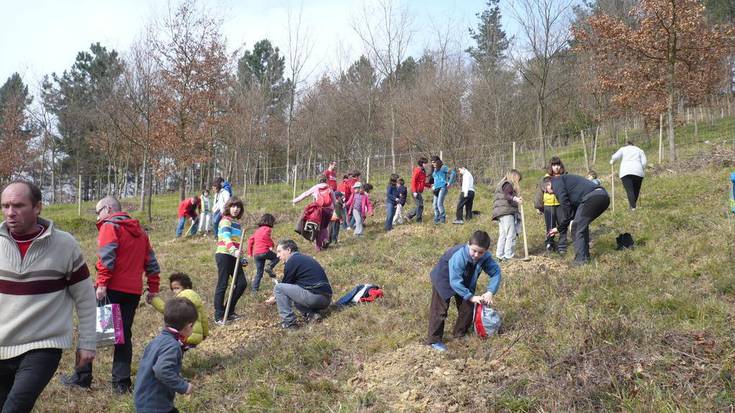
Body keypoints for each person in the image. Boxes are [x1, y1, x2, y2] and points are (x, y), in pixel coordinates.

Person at [0, 181, 96, 411]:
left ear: (38, 207)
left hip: (42, 345)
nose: (10, 213)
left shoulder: (65, 245)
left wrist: (88, 343)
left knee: (15, 407)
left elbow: (85, 298)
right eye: (5, 206)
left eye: (18, 205)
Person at [62, 195, 161, 394]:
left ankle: (82, 378)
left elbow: (107, 257)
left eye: (98, 212)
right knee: (123, 336)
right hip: (132, 292)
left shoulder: (110, 226)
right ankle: (121, 384)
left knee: (89, 331)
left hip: (110, 290)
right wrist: (153, 287)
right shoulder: (140, 231)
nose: (98, 218)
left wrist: (102, 284)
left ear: (107, 209)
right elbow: (151, 262)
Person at [427, 230, 501, 352]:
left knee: (468, 308)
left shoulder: (485, 258)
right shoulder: (459, 256)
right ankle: (434, 340)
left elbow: (496, 273)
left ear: (486, 251)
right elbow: (455, 281)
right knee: (439, 310)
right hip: (444, 278)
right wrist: (470, 296)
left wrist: (490, 292)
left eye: (480, 252)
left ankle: (459, 333)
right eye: (474, 250)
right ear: (468, 244)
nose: (476, 255)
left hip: (465, 279)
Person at [134, 297, 197, 413]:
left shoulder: (158, 340)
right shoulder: (172, 345)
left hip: (145, 399)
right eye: (193, 326)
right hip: (155, 404)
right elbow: (161, 369)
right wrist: (183, 386)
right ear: (189, 326)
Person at [546, 174, 610, 265]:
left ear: (549, 184)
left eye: (547, 191)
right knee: (581, 225)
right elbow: (571, 213)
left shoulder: (556, 182)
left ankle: (580, 261)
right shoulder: (568, 185)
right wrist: (560, 228)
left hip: (593, 197)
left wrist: (559, 228)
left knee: (576, 227)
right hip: (603, 196)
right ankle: (585, 257)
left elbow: (566, 207)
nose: (551, 194)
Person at [267, 240, 333, 329]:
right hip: (326, 299)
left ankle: (289, 324)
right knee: (295, 296)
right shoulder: (303, 258)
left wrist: (274, 298)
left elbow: (284, 285)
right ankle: (312, 315)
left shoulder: (292, 261)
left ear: (289, 250)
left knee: (278, 288)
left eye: (279, 251)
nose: (277, 255)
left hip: (315, 297)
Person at [213, 197, 248, 324]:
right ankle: (218, 315)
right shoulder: (225, 221)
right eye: (233, 206)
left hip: (234, 255)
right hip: (224, 254)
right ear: (229, 207)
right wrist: (234, 251)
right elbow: (227, 238)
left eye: (238, 207)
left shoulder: (237, 224)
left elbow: (237, 243)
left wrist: (242, 257)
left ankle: (229, 311)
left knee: (242, 283)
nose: (236, 209)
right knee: (223, 284)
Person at [150, 273, 209, 347]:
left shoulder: (181, 301)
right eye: (173, 289)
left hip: (185, 335)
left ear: (186, 287)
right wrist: (205, 333)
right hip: (196, 337)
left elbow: (168, 310)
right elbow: (204, 319)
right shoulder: (197, 299)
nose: (175, 291)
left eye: (177, 288)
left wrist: (154, 300)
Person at [534, 156, 568, 253]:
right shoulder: (545, 178)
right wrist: (538, 206)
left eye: (558, 165)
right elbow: (539, 193)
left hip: (561, 204)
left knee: (562, 224)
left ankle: (562, 246)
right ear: (550, 166)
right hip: (548, 205)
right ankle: (550, 243)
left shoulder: (565, 176)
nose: (556, 167)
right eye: (554, 165)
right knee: (550, 226)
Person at [293, 176, 336, 251]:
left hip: (319, 210)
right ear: (326, 181)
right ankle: (325, 240)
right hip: (329, 210)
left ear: (318, 180)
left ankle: (318, 247)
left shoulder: (316, 187)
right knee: (324, 227)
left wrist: (295, 201)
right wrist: (335, 209)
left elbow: (305, 194)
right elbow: (334, 200)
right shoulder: (329, 188)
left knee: (317, 228)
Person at [492, 170, 523, 261]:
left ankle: (499, 255)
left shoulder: (502, 184)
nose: (518, 182)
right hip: (506, 212)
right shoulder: (508, 184)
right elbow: (507, 196)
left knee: (503, 234)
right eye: (518, 179)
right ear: (514, 177)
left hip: (500, 213)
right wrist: (516, 199)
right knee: (511, 234)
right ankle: (508, 255)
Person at [610, 141, 647, 210]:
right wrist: (641, 168)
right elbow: (644, 162)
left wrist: (612, 161)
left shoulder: (623, 149)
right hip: (638, 171)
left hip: (626, 171)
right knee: (636, 190)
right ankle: (632, 206)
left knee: (630, 190)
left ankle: (632, 207)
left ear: (626, 145)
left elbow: (615, 157)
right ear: (633, 144)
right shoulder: (639, 150)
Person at [247, 213, 279, 292]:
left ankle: (254, 290)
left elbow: (250, 241)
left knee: (259, 273)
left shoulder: (257, 231)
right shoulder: (267, 229)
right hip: (264, 251)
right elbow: (265, 236)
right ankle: (269, 267)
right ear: (270, 221)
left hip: (256, 254)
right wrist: (271, 245)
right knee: (277, 257)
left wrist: (250, 253)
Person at [430, 156, 455, 224]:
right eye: (432, 162)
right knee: (434, 205)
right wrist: (433, 185)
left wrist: (449, 183)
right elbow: (434, 179)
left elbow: (453, 173)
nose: (433, 164)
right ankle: (436, 218)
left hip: (442, 187)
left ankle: (442, 219)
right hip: (436, 189)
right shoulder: (433, 169)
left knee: (439, 203)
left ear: (438, 161)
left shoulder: (443, 167)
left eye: (434, 162)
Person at [406, 157, 431, 222]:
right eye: (425, 163)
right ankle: (418, 220)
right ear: (422, 163)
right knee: (420, 205)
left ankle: (409, 215)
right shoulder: (417, 170)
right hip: (415, 190)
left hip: (419, 191)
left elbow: (422, 182)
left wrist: (429, 186)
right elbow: (413, 181)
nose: (426, 164)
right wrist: (414, 191)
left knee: (420, 205)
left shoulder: (423, 171)